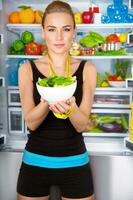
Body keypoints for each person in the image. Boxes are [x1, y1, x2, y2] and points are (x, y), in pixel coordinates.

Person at [17, 1, 97, 200]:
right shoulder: (27, 69)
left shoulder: (88, 69)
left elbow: (82, 125)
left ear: (74, 31)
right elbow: (32, 122)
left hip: (75, 162)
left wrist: (70, 108)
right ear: (43, 31)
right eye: (52, 29)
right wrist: (46, 101)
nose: (59, 37)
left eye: (66, 29)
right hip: (35, 162)